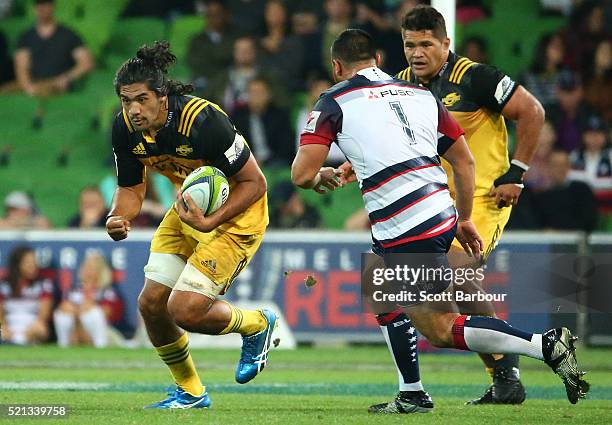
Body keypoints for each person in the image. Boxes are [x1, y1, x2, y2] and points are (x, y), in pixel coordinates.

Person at [292, 28, 586, 413]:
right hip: (438, 210)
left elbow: (300, 175)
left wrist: (322, 176)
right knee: (378, 289)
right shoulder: (419, 95)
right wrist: (462, 218)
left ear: (336, 66)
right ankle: (411, 393)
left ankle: (544, 345)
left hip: (406, 224)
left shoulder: (333, 101)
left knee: (442, 328)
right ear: (379, 60)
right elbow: (463, 160)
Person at [382, 5, 546, 409]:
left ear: (445, 43)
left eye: (425, 44)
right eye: (409, 45)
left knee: (448, 275)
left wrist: (517, 173)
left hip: (484, 201)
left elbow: (532, 111)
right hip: (430, 205)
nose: (416, 53)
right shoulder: (401, 85)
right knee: (454, 284)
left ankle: (521, 360)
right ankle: (505, 378)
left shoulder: (476, 77)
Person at [106, 41, 277, 409]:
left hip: (236, 219)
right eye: (126, 101)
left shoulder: (203, 121)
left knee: (184, 310)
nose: (133, 109)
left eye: (141, 99)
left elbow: (255, 183)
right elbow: (131, 188)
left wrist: (210, 220)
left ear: (162, 97)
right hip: (187, 212)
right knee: (151, 305)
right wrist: (119, 216)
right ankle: (192, 392)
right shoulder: (124, 129)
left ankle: (257, 323)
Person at [13, 0, 94, 128]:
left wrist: (67, 78)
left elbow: (86, 62)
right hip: (33, 84)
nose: (43, 8)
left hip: (56, 85)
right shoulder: (26, 37)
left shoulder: (68, 34)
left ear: (53, 7)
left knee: (45, 94)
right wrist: (28, 87)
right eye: (40, 5)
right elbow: (21, 66)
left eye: (46, 4)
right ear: (35, 8)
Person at [53, 252, 124, 348]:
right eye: (85, 266)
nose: (87, 270)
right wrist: (77, 312)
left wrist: (84, 308)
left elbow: (106, 313)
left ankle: (99, 346)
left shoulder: (108, 292)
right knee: (63, 313)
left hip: (106, 331)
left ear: (101, 271)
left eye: (91, 267)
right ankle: (64, 345)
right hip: (76, 328)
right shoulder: (73, 290)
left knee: (94, 312)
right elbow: (64, 307)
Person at [230, 77, 295, 166]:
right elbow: (234, 146)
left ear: (269, 95)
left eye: (260, 92)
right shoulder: (238, 117)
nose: (256, 96)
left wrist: (265, 161)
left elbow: (286, 147)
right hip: (248, 163)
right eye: (252, 92)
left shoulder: (280, 116)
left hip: (275, 162)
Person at [0, 246, 54, 345]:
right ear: (18, 264)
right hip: (9, 326)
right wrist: (4, 326)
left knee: (41, 330)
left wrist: (32, 328)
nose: (32, 266)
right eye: (28, 263)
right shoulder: (4, 285)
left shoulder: (44, 284)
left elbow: (43, 315)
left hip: (32, 327)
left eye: (34, 262)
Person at [536, 150, 598, 232]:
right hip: (549, 241)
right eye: (555, 165)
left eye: (563, 165)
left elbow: (589, 219)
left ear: (569, 166)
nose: (560, 169)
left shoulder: (582, 190)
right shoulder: (541, 196)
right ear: (548, 167)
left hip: (577, 239)